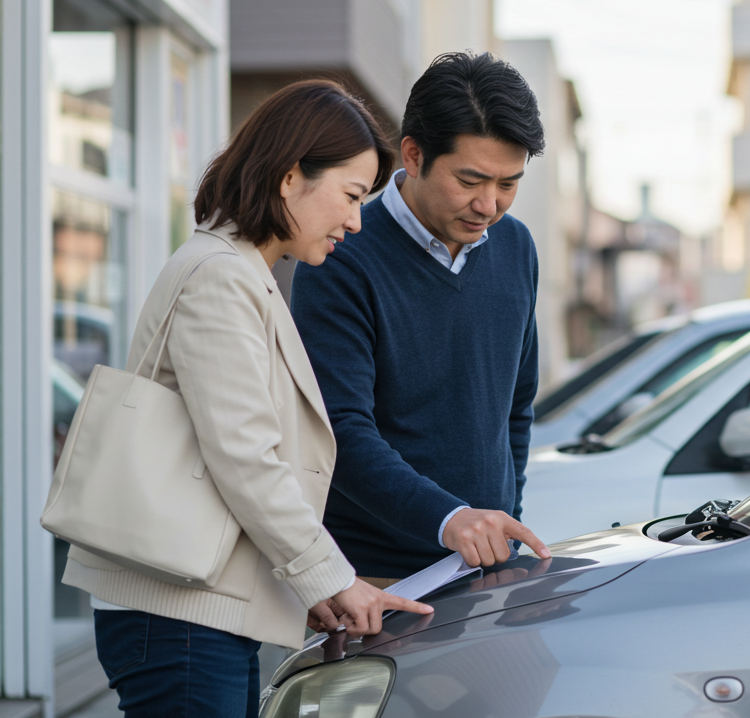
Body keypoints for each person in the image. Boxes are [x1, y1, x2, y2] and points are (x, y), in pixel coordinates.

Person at [61, 80, 433, 718]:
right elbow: (244, 456)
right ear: (291, 178)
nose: (355, 219)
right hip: (174, 614)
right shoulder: (221, 277)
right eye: (349, 195)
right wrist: (334, 578)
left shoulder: (240, 270)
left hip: (188, 607)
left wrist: (313, 589)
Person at [292, 52, 551, 584]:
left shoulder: (517, 247)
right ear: (413, 154)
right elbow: (339, 428)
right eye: (471, 180)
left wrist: (505, 519)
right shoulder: (341, 252)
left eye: (508, 183)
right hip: (376, 581)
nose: (489, 205)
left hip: (490, 567)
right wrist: (449, 518)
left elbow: (515, 409)